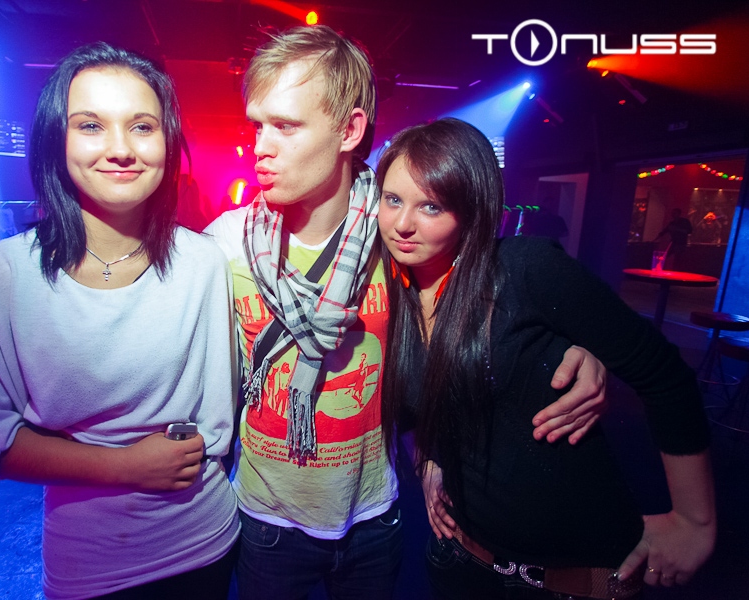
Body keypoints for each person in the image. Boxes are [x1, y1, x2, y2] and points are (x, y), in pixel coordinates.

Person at [205, 25, 608, 600]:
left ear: (349, 131)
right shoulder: (225, 242)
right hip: (267, 522)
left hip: (373, 517)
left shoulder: (396, 236)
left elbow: (483, 308)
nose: (261, 146)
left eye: (286, 126)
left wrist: (571, 350)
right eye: (257, 125)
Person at [377, 118, 716, 600]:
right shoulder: (391, 295)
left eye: (431, 205)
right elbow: (417, 407)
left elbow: (665, 375)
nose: (402, 224)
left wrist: (694, 520)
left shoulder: (523, 269)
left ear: (472, 209)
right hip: (460, 562)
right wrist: (429, 460)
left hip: (574, 579)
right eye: (393, 200)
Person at [0, 43, 239, 599]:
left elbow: (218, 423)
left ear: (168, 141)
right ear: (56, 140)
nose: (121, 149)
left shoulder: (203, 262)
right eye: (90, 125)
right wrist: (126, 466)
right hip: (88, 564)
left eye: (142, 127)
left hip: (205, 542)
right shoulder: (3, 273)